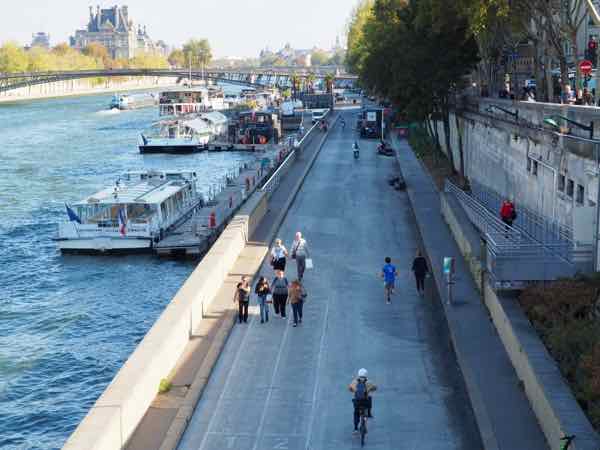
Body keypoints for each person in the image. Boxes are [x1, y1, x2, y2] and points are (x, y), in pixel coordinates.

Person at [348, 368, 377, 433]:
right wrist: (370, 390)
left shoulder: (354, 382)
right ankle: (369, 413)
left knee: (356, 413)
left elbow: (349, 388)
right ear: (366, 374)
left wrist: (354, 390)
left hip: (357, 402)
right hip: (365, 401)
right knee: (369, 398)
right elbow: (375, 388)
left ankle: (355, 428)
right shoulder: (369, 382)